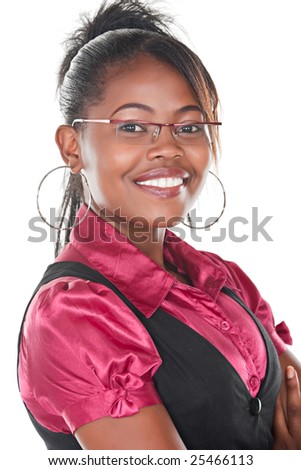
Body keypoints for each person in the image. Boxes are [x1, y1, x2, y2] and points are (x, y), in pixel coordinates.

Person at [17, 0, 301, 450]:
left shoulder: (222, 279)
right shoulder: (71, 316)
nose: (168, 148)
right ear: (72, 147)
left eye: (189, 128)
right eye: (132, 127)